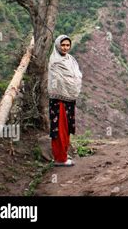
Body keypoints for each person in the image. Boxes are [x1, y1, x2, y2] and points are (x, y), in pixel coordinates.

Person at [48, 35, 83, 167]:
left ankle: (63, 153)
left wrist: (72, 85)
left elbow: (76, 75)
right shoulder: (54, 61)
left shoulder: (70, 59)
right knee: (59, 129)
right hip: (58, 101)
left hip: (69, 99)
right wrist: (68, 84)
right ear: (58, 45)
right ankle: (60, 159)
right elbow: (57, 81)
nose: (65, 47)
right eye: (63, 45)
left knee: (66, 127)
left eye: (67, 45)